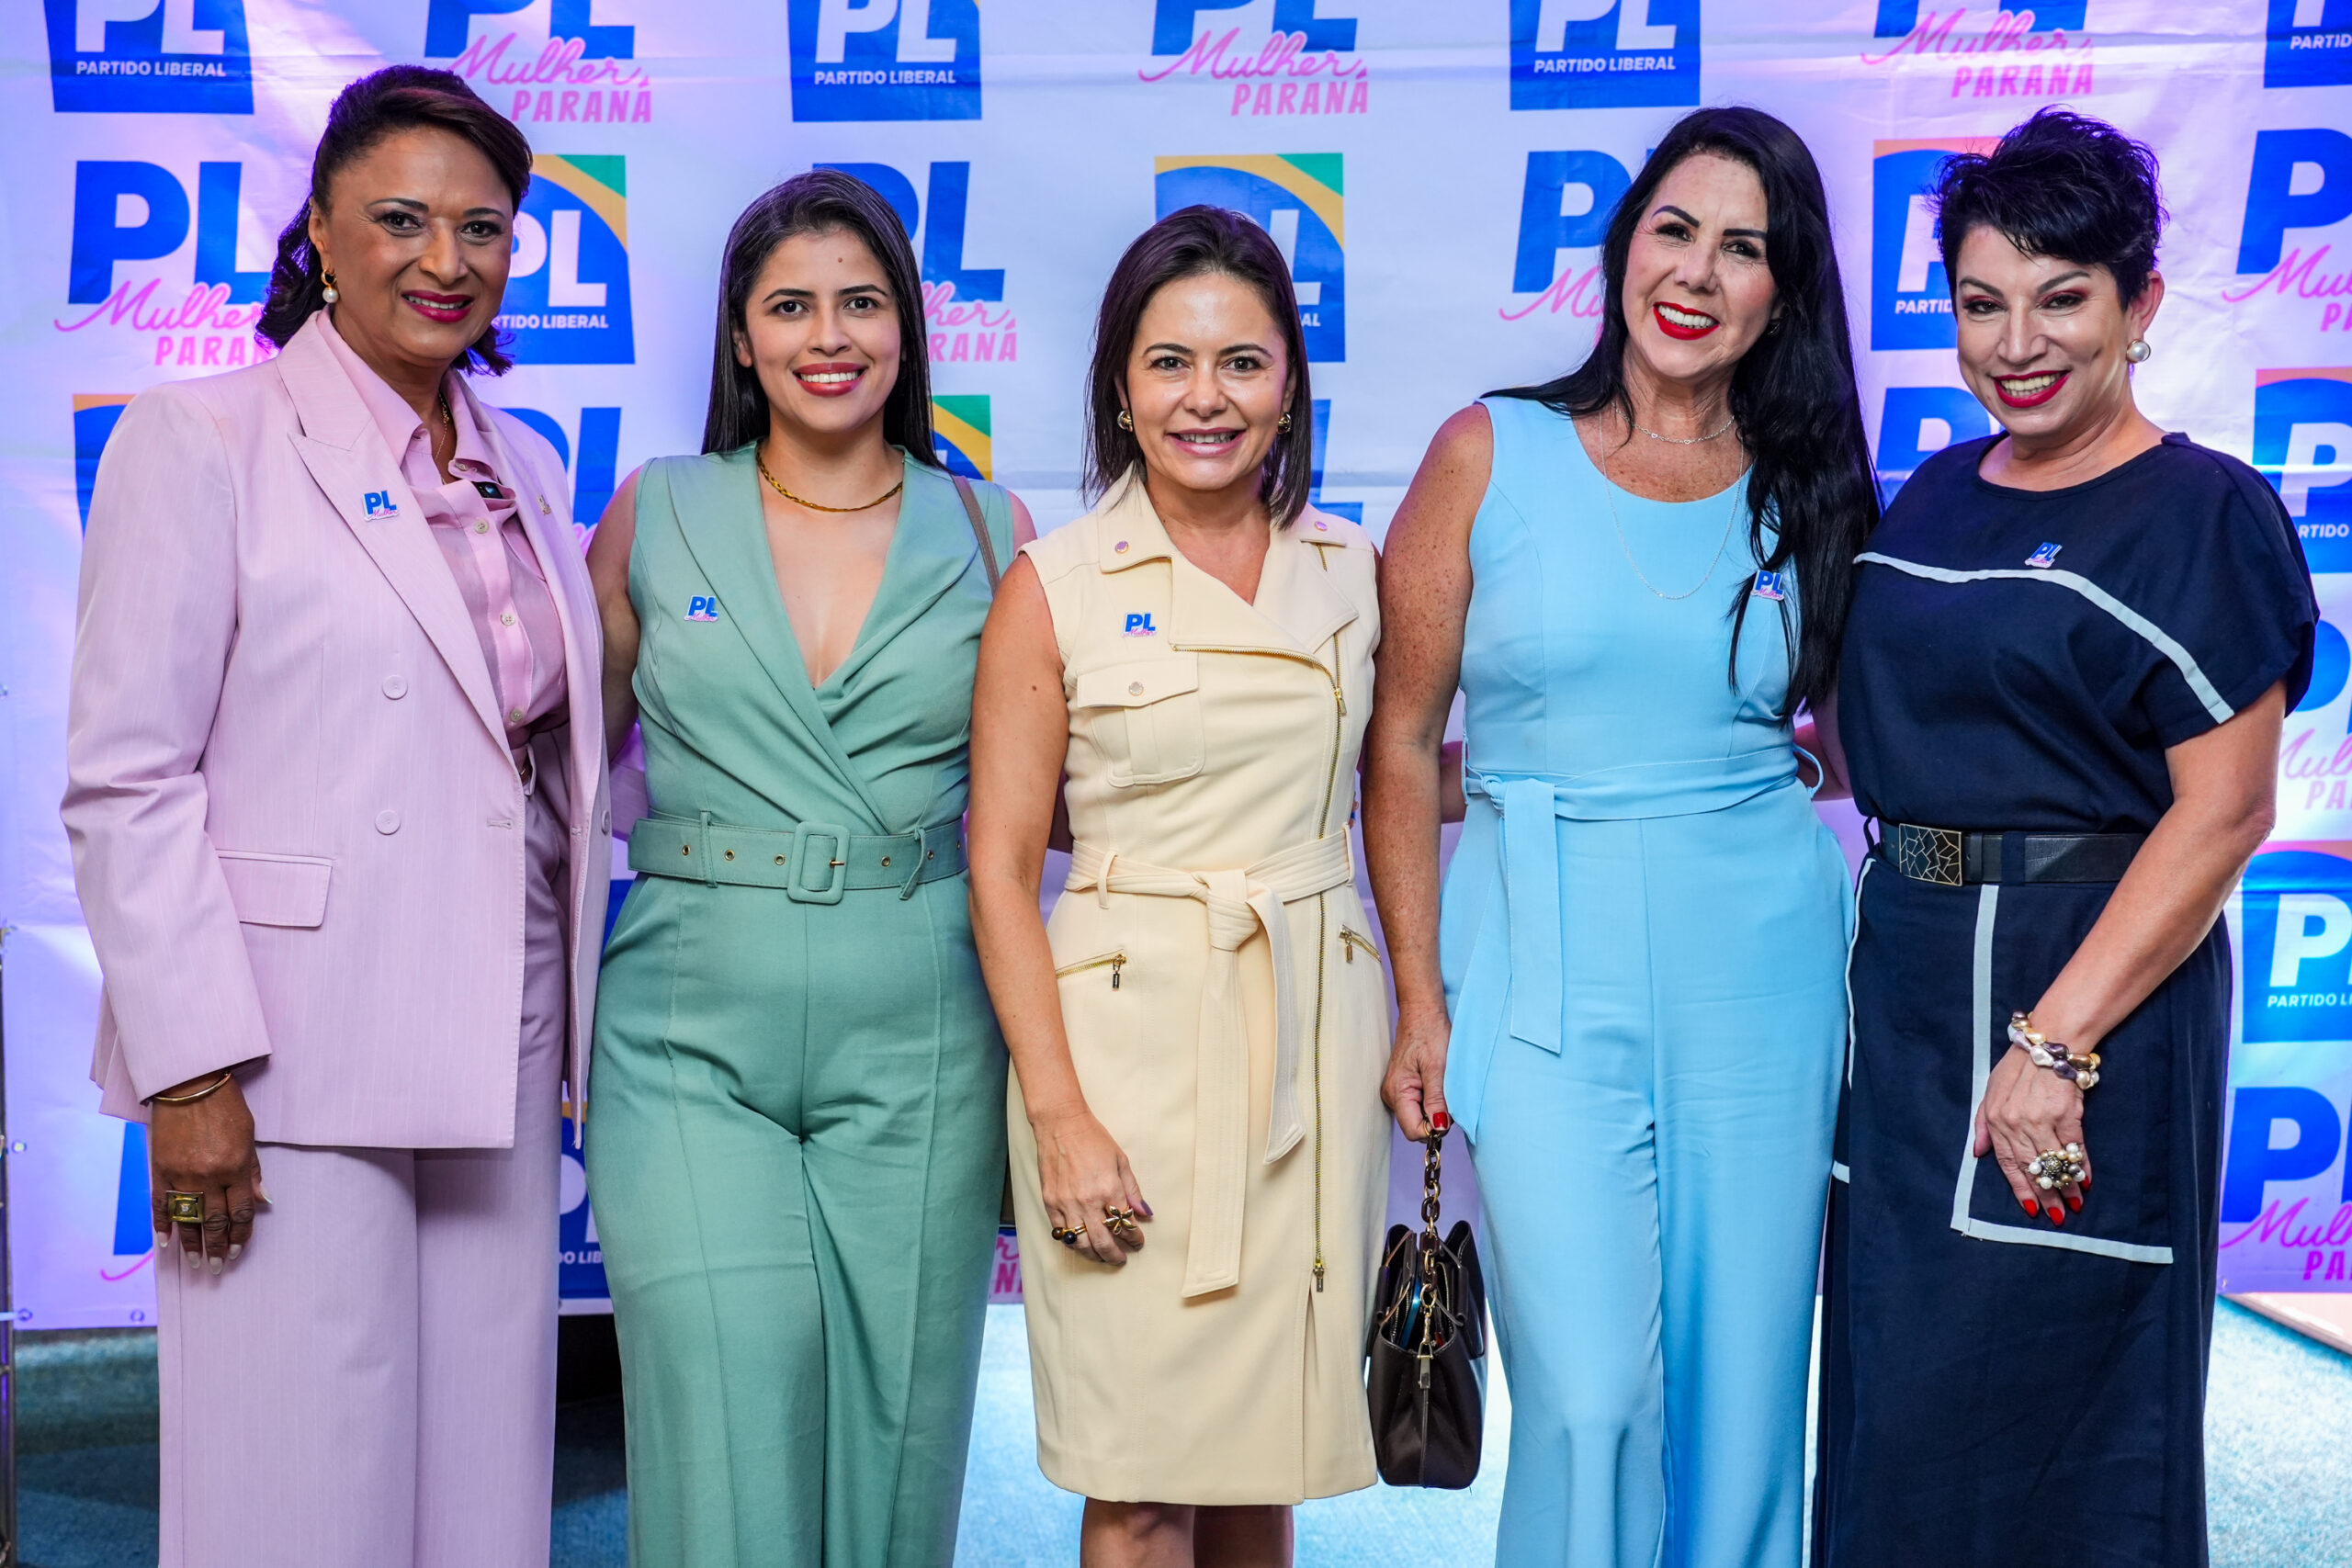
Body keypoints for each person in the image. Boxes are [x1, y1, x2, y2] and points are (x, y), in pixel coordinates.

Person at [62, 66, 606, 1568]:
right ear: (318, 229)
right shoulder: (202, 437)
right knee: (292, 1492)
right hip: (287, 1049)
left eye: (483, 228)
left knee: (484, 1488)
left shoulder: (525, 463)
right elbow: (127, 777)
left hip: (501, 1032)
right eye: (401, 219)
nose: (447, 259)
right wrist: (188, 1071)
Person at [1362, 107, 1877, 1568]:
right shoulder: (1490, 451)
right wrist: (1419, 1000)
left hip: (1763, 965)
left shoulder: (1814, 487)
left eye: (1742, 248)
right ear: (1623, 244)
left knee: (1744, 1392)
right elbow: (1399, 742)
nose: (1697, 273)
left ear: (1783, 292)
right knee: (1589, 1397)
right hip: (1537, 949)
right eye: (1674, 229)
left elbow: (1863, 740)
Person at [1811, 108, 2314, 1566]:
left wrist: (2052, 1046)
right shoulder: (1936, 490)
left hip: (2078, 1001)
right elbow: (1887, 734)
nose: (2018, 343)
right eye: (1983, 304)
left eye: (2062, 298)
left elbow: (2228, 808)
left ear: (2140, 305)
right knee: (1898, 1404)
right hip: (1907, 994)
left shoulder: (2203, 513)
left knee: (2060, 1401)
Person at [583, 169, 1031, 1568]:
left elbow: (1066, 798)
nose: (827, 335)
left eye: (860, 301)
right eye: (789, 306)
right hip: (686, 1032)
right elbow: (542, 783)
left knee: (901, 1437)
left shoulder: (995, 532)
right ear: (739, 335)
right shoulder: (655, 512)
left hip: (924, 1030)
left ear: (906, 327)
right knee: (727, 1400)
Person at [967, 205, 1387, 1566]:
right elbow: (999, 864)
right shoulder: (1056, 583)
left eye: (1242, 363)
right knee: (1142, 1478)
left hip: (1308, 1036)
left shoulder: (1351, 569)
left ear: (1290, 388)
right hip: (1124, 1051)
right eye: (1169, 363)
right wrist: (1059, 1115)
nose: (1207, 398)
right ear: (1120, 389)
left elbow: (1396, 776)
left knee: (1261, 1463)